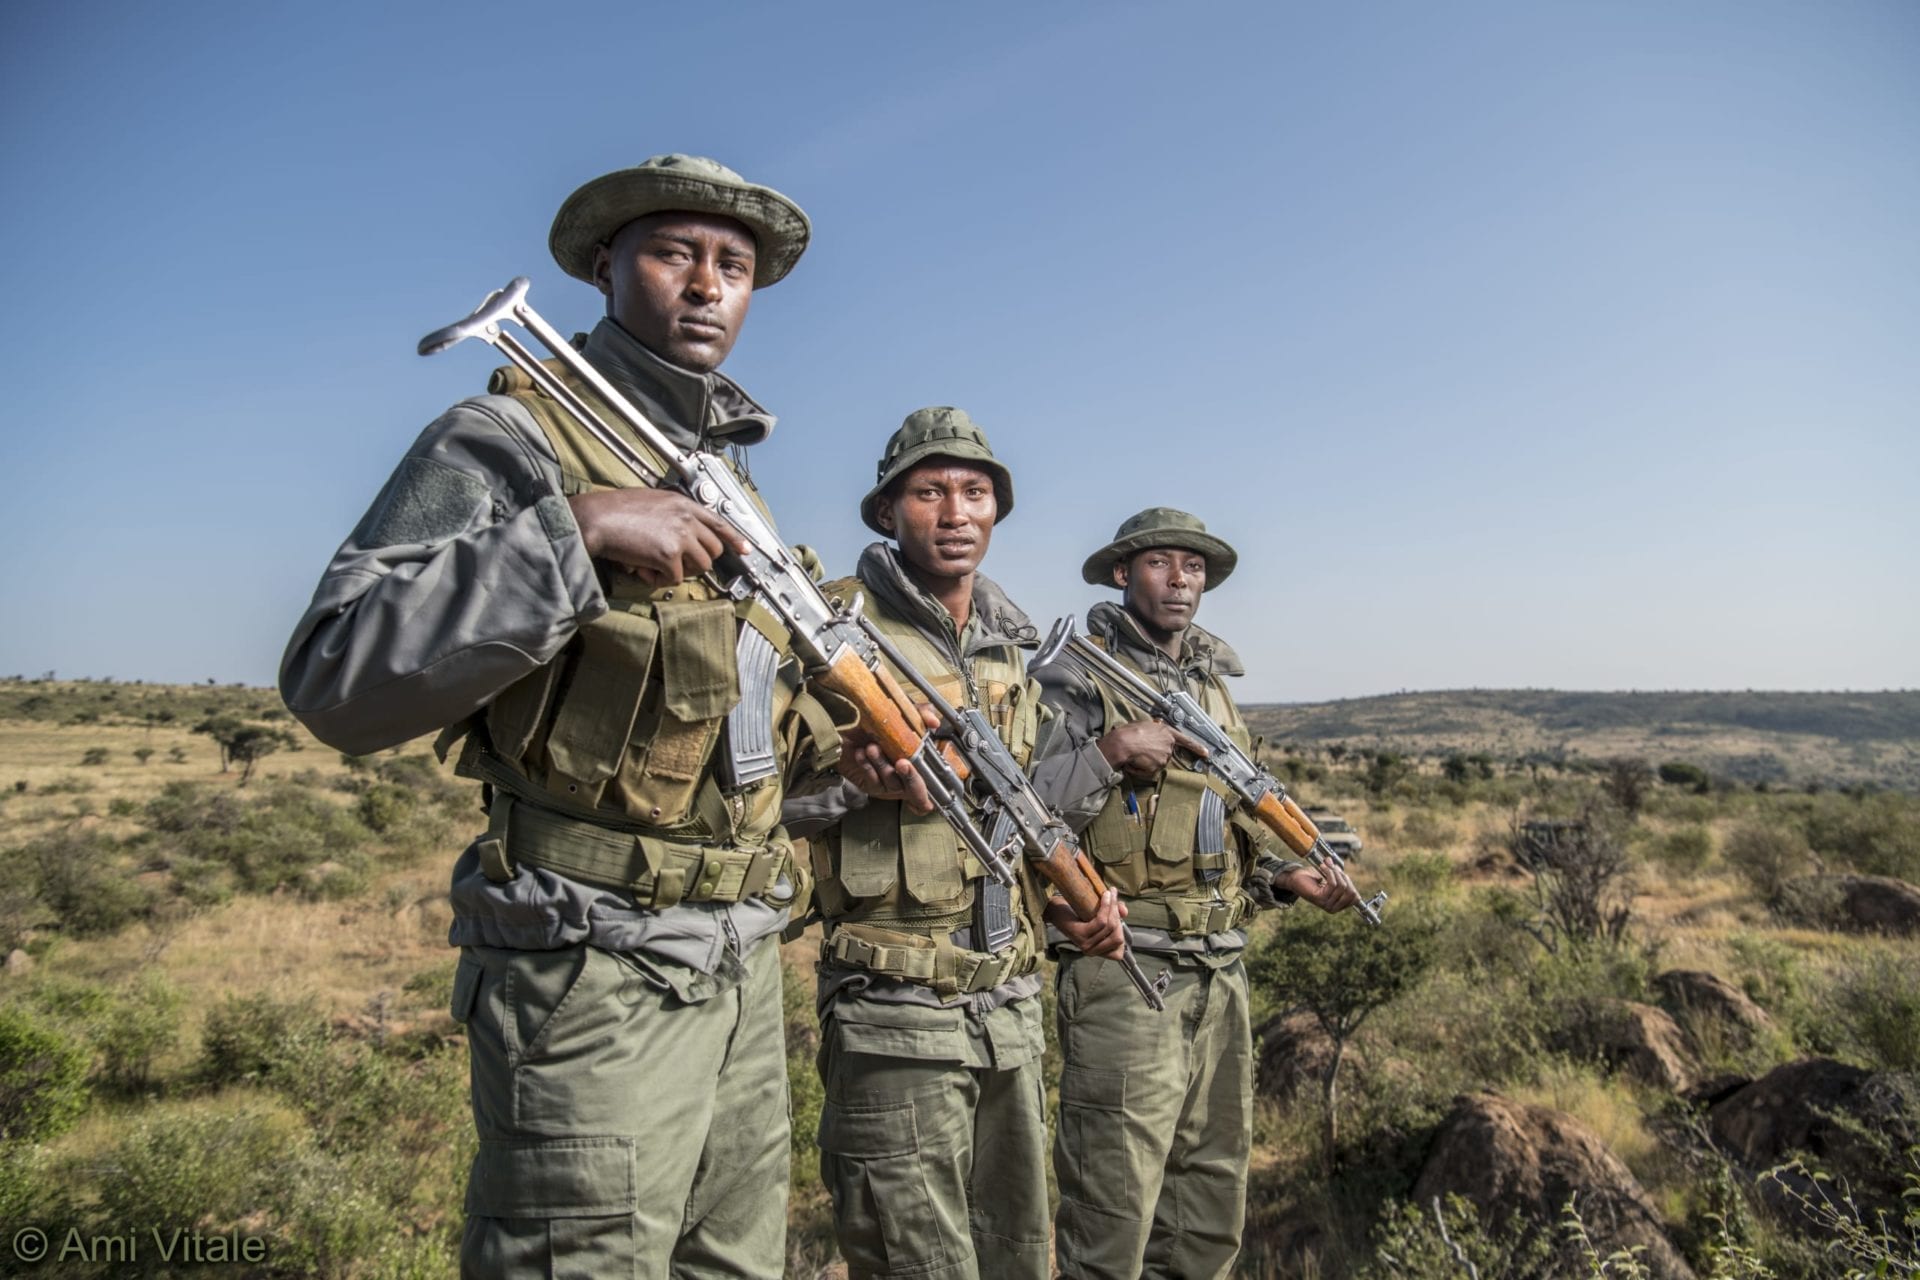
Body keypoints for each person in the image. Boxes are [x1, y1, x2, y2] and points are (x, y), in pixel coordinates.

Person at [280, 154, 834, 1278]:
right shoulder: (513, 436)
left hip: (739, 967)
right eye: (674, 253)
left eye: (733, 267)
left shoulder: (732, 482)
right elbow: (335, 672)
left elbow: (729, 727)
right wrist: (572, 530)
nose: (707, 286)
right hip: (594, 971)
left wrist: (847, 760)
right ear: (604, 267)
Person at [781, 408, 1128, 1280]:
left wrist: (1071, 904)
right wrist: (851, 780)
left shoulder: (1007, 650)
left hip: (1008, 1012)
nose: (955, 513)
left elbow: (1025, 812)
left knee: (1017, 1257)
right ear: (887, 511)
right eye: (929, 492)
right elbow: (764, 799)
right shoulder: (832, 630)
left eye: (975, 493)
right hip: (894, 1012)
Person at [1035, 507, 1360, 1280]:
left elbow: (1218, 820)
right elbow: (1025, 806)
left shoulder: (1213, 688)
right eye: (1160, 563)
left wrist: (1281, 877)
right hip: (1128, 971)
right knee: (1112, 1219)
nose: (1180, 581)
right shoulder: (1077, 674)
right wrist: (1111, 751)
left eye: (1194, 567)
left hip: (1220, 970)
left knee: (1206, 1217)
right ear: (1123, 573)